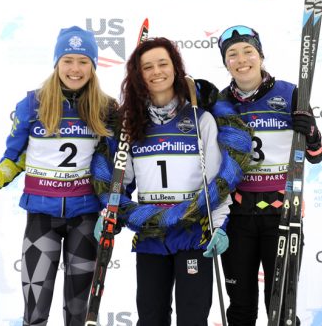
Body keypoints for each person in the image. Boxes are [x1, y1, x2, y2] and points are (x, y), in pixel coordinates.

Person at [0, 26, 117, 326]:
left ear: (94, 66)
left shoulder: (107, 108)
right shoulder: (33, 103)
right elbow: (15, 158)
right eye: (67, 60)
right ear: (57, 62)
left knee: (78, 313)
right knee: (34, 312)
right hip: (41, 218)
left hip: (86, 217)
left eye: (83, 61)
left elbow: (115, 165)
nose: (75, 69)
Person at [91, 37, 250, 326]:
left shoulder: (200, 119)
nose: (156, 71)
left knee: (192, 319)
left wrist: (220, 226)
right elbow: (120, 182)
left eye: (163, 63)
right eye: (147, 67)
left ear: (175, 68)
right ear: (139, 76)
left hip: (193, 234)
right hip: (151, 236)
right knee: (151, 319)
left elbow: (218, 184)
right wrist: (109, 212)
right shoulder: (131, 125)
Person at [213, 25, 322, 325]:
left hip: (281, 213)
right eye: (232, 54)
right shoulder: (221, 103)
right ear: (226, 63)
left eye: (248, 51)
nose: (241, 59)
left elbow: (317, 154)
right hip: (237, 215)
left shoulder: (290, 93)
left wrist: (311, 133)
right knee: (240, 307)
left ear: (260, 56)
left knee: (281, 306)